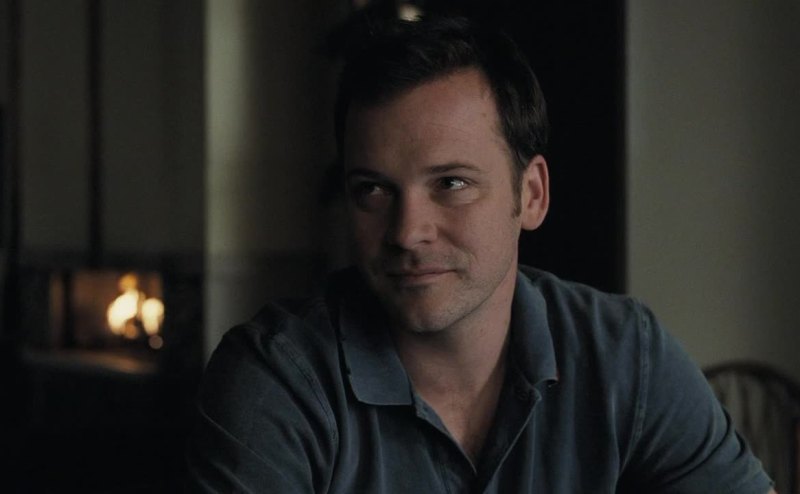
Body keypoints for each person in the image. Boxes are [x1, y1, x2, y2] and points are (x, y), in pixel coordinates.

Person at [187, 16, 775, 493]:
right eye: (373, 190)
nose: (406, 232)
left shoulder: (624, 357)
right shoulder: (278, 380)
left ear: (532, 194)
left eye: (451, 183)